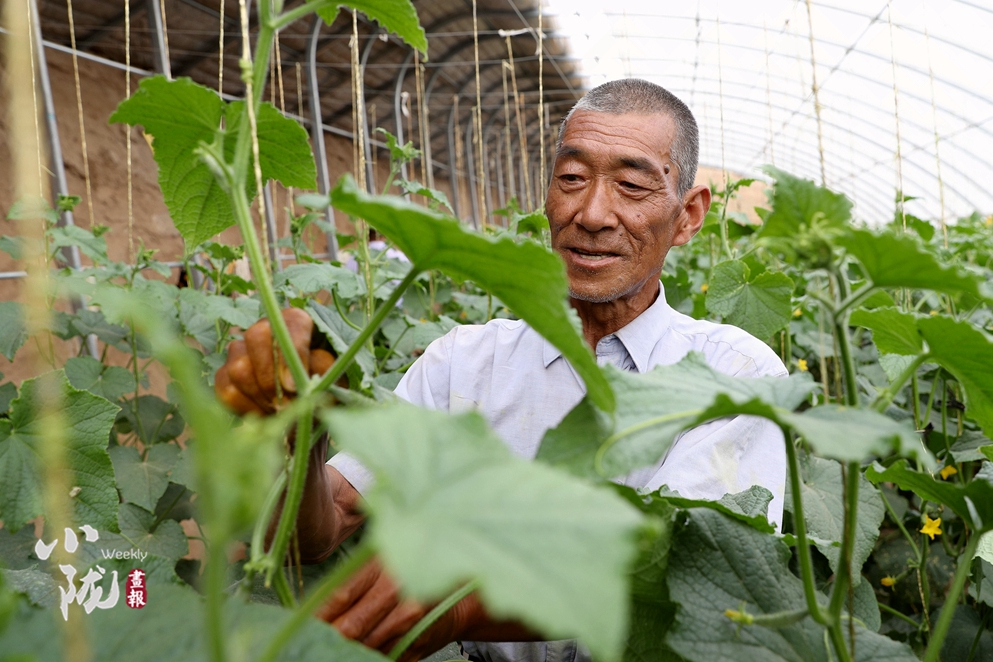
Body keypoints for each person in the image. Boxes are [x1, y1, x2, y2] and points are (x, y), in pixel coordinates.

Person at [216, 78, 788, 662]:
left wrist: (468, 600)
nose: (591, 213)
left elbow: (685, 575)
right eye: (571, 178)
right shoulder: (461, 363)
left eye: (633, 185)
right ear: (547, 196)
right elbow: (324, 524)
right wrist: (299, 441)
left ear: (687, 215)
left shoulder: (735, 376)